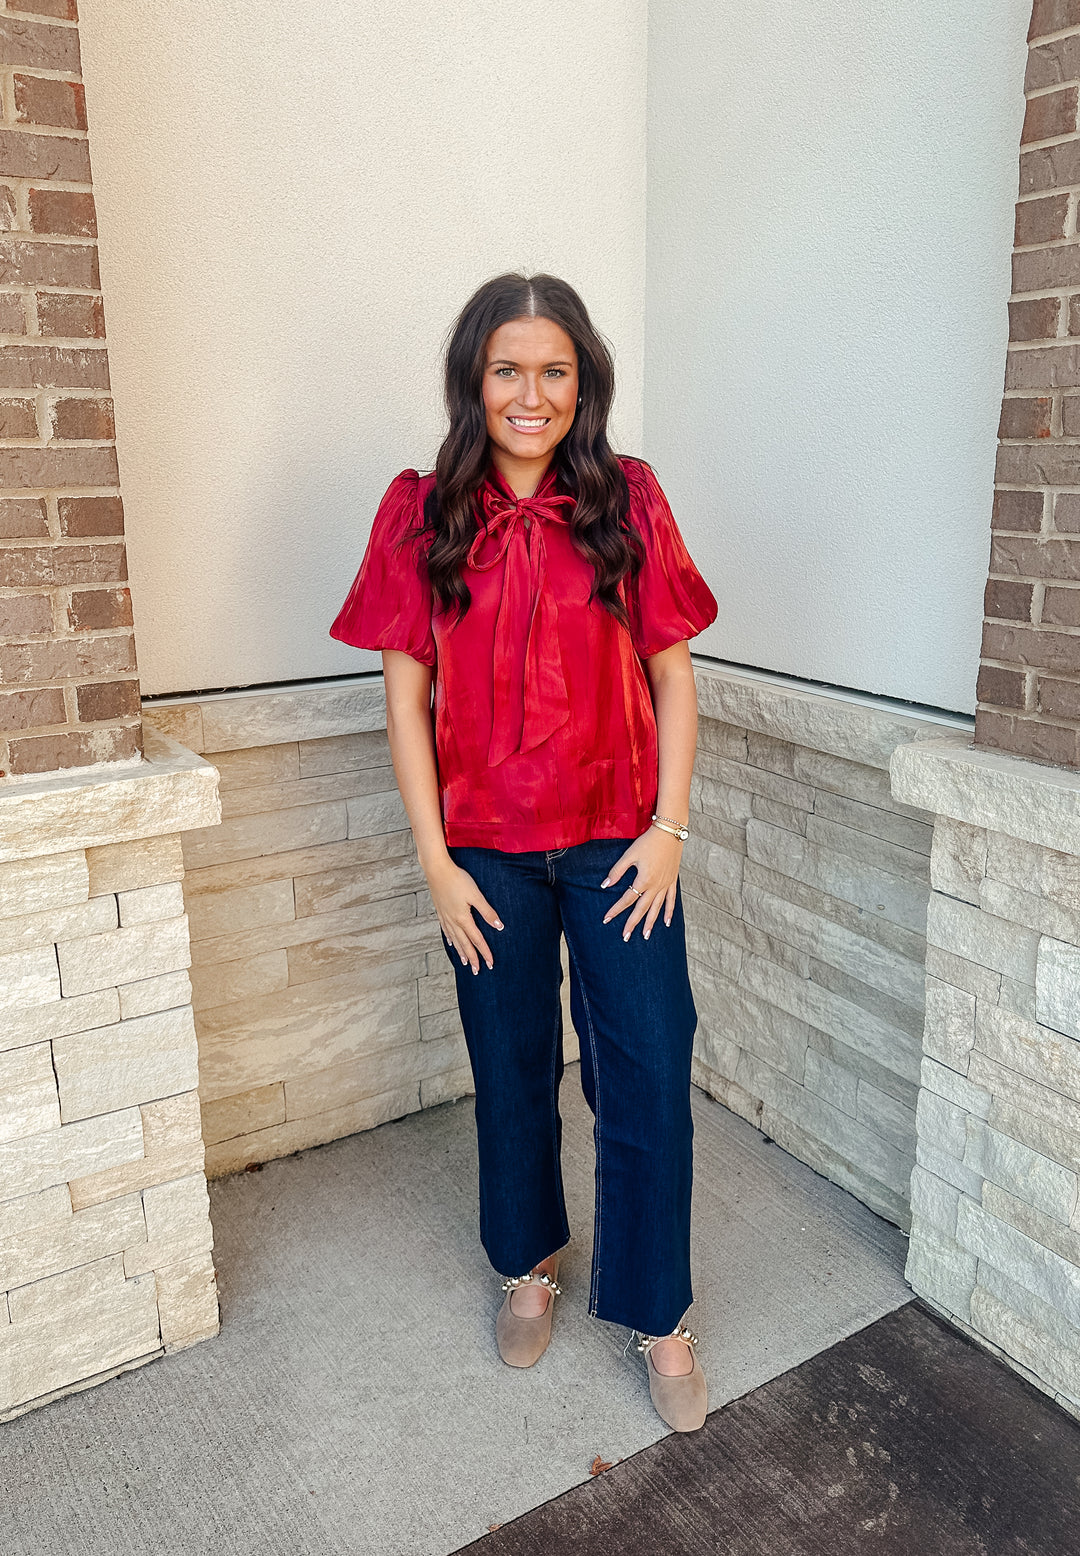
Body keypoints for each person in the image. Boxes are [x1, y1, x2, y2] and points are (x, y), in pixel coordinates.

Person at [329, 272, 719, 1432]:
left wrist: (671, 828)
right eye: (509, 369)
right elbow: (405, 704)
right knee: (508, 1068)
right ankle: (527, 1259)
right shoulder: (420, 511)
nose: (531, 393)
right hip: (487, 856)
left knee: (647, 1066)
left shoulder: (628, 499)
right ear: (474, 380)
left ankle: (658, 1310)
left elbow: (675, 677)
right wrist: (436, 862)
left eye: (555, 370)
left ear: (582, 380)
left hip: (617, 847)